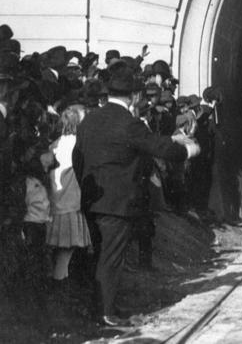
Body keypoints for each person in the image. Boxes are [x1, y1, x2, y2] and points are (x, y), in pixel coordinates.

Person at [74, 66, 199, 327]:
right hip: (118, 203)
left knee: (100, 254)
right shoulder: (129, 124)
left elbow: (78, 157)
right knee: (111, 258)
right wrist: (188, 150)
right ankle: (106, 313)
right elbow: (159, 146)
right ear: (132, 96)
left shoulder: (89, 119)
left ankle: (101, 307)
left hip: (91, 199)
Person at [46, 106, 92, 286]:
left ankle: (56, 284)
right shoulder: (80, 144)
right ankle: (60, 286)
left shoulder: (55, 144)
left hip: (55, 201)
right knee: (67, 249)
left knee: (58, 249)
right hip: (72, 201)